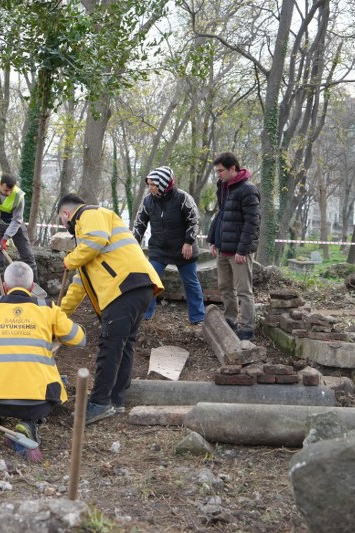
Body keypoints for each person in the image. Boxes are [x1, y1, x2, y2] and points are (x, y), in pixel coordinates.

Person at [57, 194, 164, 424]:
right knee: (124, 345)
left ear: (66, 214)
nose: (66, 227)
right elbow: (79, 285)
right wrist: (58, 314)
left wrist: (70, 259)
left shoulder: (90, 214)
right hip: (136, 286)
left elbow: (95, 240)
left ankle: (99, 403)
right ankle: (116, 400)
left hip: (125, 287)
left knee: (111, 345)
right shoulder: (86, 245)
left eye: (62, 221)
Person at [0, 261, 86, 450]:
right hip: (37, 404)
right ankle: (29, 423)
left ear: (4, 286)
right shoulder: (48, 308)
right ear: (33, 287)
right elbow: (79, 340)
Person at [133, 166, 206, 324]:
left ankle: (198, 317)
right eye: (149, 184)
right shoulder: (148, 200)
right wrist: (133, 243)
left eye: (153, 184)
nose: (150, 187)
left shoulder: (182, 198)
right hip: (159, 248)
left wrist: (188, 242)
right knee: (150, 281)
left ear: (163, 184)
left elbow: (194, 220)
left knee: (191, 282)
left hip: (183, 248)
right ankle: (146, 315)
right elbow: (140, 223)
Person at [207, 152, 261, 341]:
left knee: (244, 290)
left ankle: (247, 329)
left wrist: (242, 250)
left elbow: (252, 223)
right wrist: (214, 240)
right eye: (217, 171)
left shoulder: (248, 189)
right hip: (223, 248)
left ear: (233, 168)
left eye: (221, 171)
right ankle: (230, 321)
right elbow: (222, 215)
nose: (218, 174)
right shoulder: (223, 186)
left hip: (239, 251)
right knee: (225, 287)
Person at [0, 173, 39, 295]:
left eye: (10, 190)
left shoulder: (19, 196)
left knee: (28, 257)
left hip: (15, 223)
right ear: (0, 185)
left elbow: (16, 220)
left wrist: (5, 238)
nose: (8, 193)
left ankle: (34, 290)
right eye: (5, 190)